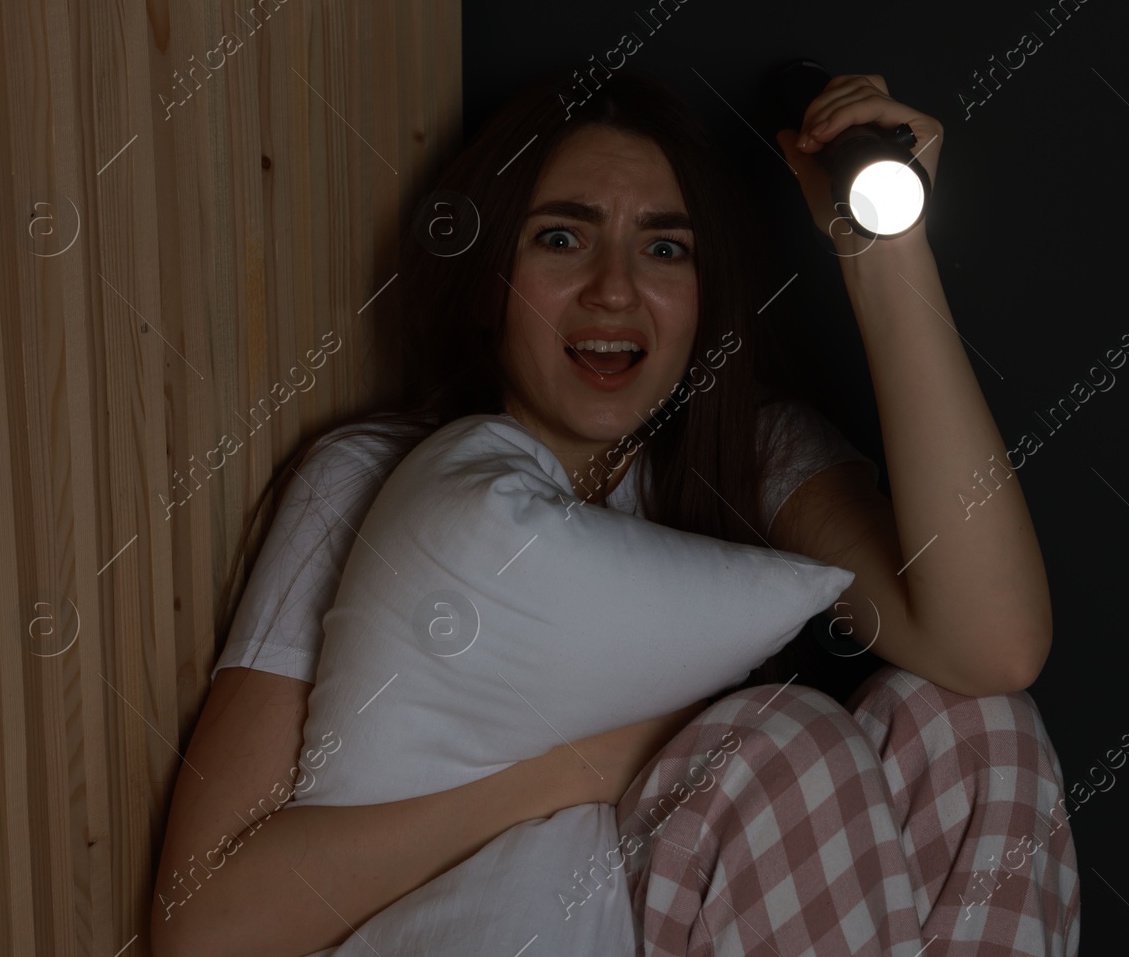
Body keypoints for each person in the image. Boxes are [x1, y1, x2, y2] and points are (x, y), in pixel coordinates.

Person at [149, 67, 1079, 956]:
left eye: (665, 248)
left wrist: (884, 251)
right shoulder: (368, 482)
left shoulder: (747, 458)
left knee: (975, 731)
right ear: (490, 276)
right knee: (783, 745)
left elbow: (992, 647)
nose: (614, 287)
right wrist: (600, 762)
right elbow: (205, 924)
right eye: (562, 237)